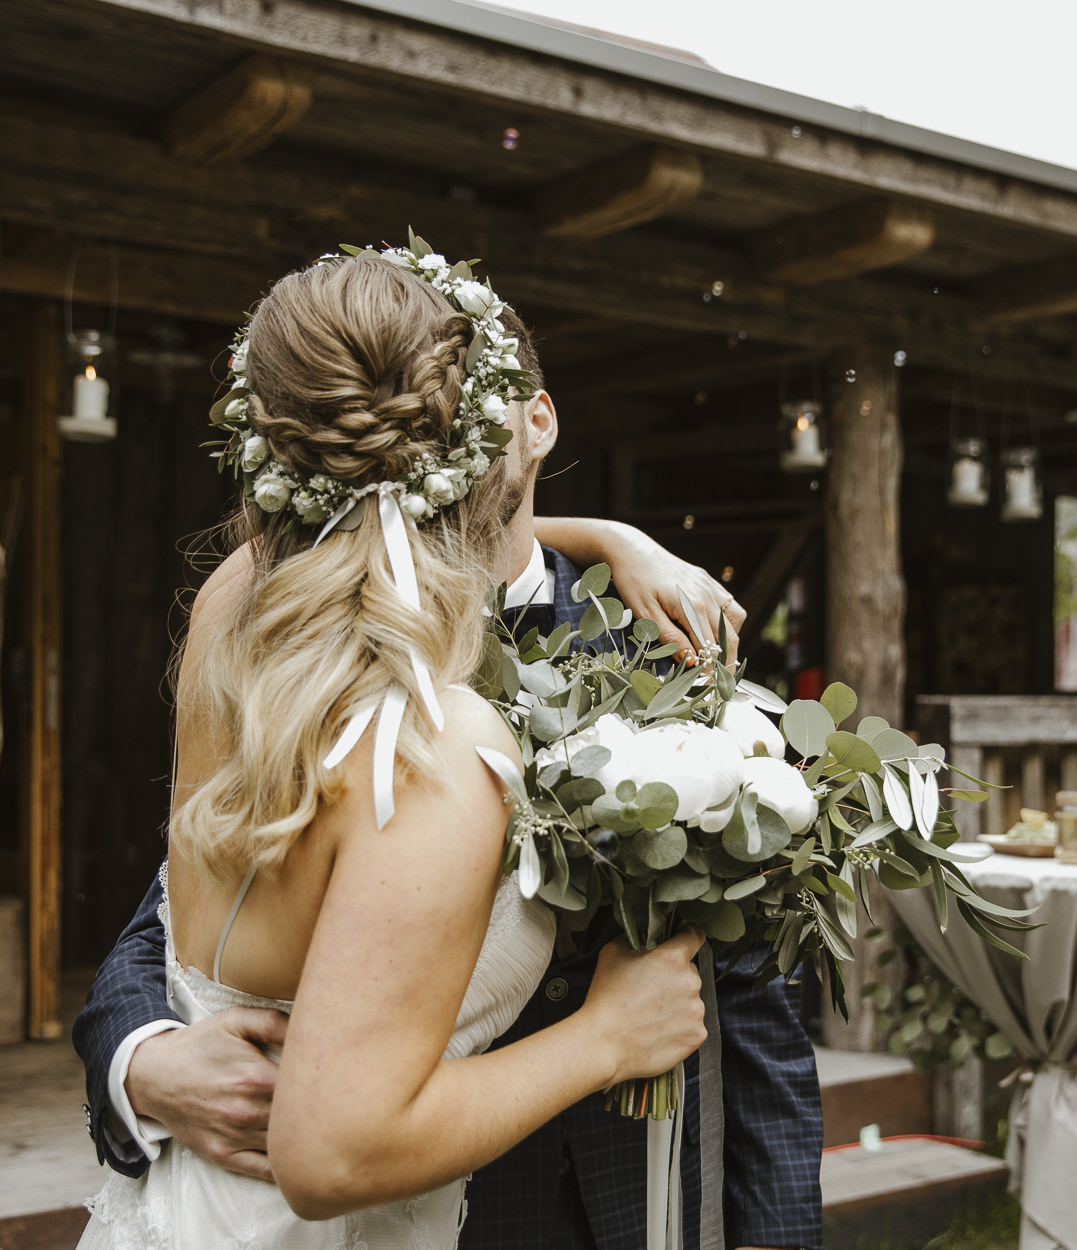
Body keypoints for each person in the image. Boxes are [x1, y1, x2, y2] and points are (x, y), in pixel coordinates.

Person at [76, 248, 825, 1250]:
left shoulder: (245, 600)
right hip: (400, 1193)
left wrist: (603, 538)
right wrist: (139, 1056)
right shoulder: (394, 709)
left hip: (615, 1200)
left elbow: (754, 999)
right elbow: (176, 899)